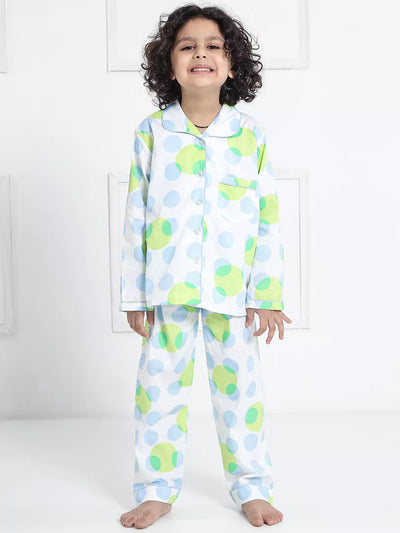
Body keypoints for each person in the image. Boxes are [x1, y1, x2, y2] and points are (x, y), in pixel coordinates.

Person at [119, 4, 292, 528]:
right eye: (187, 45)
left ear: (231, 63)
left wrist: (267, 294)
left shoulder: (250, 135)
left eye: (213, 45)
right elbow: (135, 216)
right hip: (166, 287)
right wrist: (134, 295)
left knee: (240, 392)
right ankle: (155, 488)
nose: (201, 53)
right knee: (159, 390)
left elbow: (266, 218)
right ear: (169, 64)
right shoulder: (153, 132)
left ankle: (252, 486)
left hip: (231, 292)